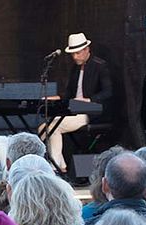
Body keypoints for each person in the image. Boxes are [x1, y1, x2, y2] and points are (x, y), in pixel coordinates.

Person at [42, 32, 112, 173]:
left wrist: (90, 100)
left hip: (92, 109)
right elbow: (70, 95)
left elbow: (108, 92)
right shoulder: (75, 68)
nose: (75, 57)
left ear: (87, 49)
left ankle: (55, 167)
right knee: (43, 128)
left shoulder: (100, 66)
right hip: (74, 107)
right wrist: (58, 98)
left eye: (78, 53)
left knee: (53, 126)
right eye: (73, 54)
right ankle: (59, 165)